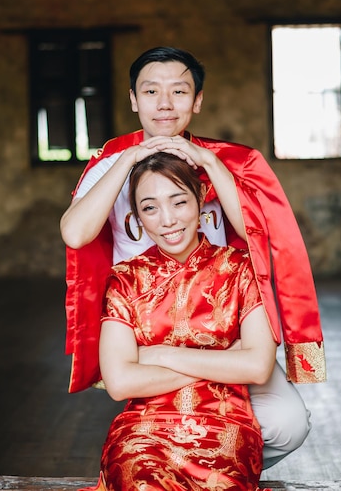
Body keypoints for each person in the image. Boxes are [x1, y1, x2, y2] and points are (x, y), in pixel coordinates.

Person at [60, 46, 326, 469]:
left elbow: (256, 229)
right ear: (133, 99)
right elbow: (75, 233)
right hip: (150, 329)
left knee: (288, 423)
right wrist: (129, 158)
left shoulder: (227, 162)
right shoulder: (109, 164)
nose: (164, 103)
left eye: (179, 91)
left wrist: (207, 160)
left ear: (197, 100)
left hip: (219, 326)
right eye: (151, 91)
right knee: (159, 430)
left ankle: (214, 462)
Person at [96, 152, 277, 490]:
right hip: (143, 427)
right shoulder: (125, 279)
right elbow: (120, 383)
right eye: (150, 208)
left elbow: (257, 368)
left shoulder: (240, 269)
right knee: (138, 478)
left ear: (201, 202)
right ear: (137, 218)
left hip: (226, 423)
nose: (167, 219)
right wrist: (225, 359)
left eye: (178, 202)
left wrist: (160, 355)